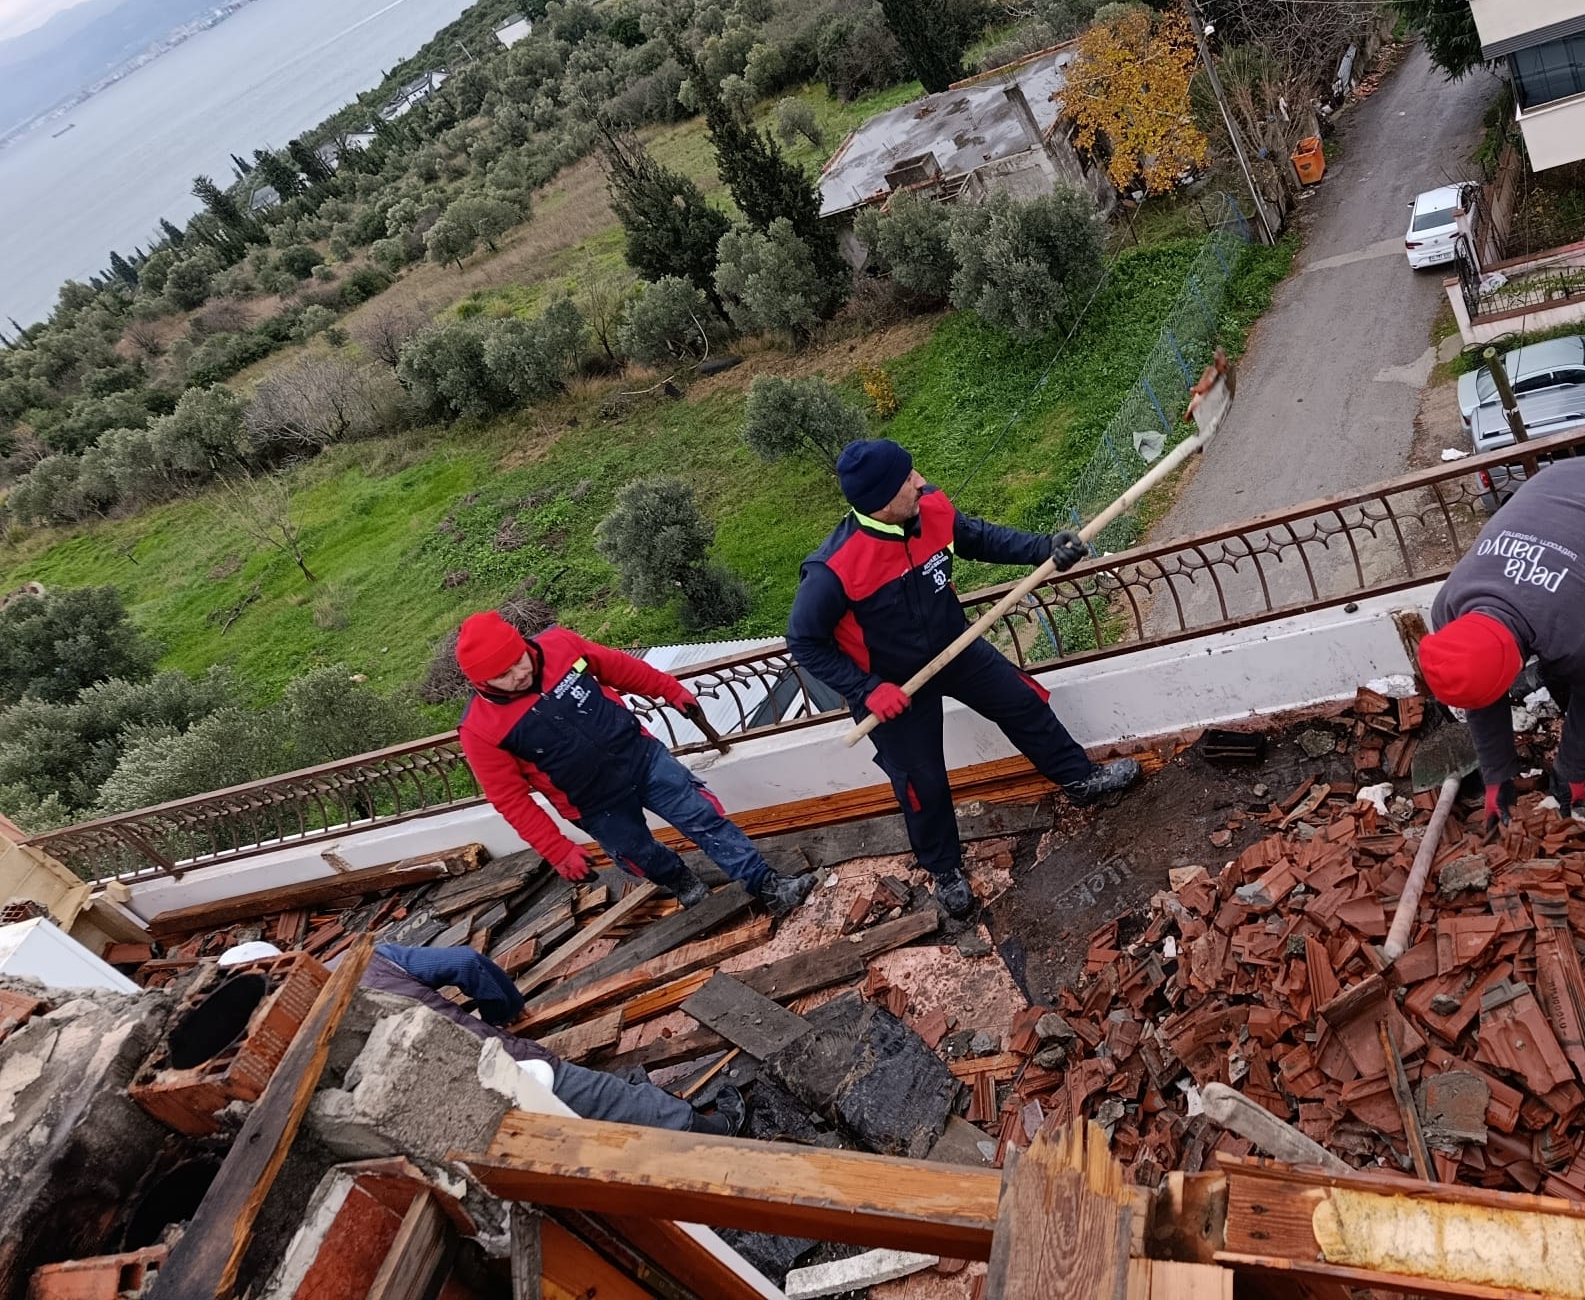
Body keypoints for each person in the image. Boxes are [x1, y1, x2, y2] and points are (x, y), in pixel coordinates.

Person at [787, 440, 1142, 918]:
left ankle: (1079, 780)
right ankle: (945, 869)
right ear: (879, 500)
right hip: (893, 686)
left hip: (955, 647)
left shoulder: (930, 507)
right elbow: (805, 644)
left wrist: (1045, 550)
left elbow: (978, 537)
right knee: (922, 780)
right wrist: (868, 690)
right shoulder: (833, 570)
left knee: (1023, 703)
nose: (919, 481)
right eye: (906, 479)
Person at [454, 612, 815, 917]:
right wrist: (557, 849)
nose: (518, 674)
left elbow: (619, 667)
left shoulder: (561, 646)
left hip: (642, 758)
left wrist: (669, 689)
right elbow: (510, 799)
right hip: (594, 804)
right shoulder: (481, 730)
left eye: (518, 660)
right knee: (639, 856)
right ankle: (680, 880)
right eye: (502, 675)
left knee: (704, 817)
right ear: (480, 681)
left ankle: (767, 885)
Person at [224, 940, 743, 1133]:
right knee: (610, 1101)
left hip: (442, 1125)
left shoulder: (267, 1055)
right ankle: (712, 1131)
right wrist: (503, 1011)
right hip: (500, 1066)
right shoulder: (366, 960)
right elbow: (467, 963)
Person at [1417, 456, 1585, 824]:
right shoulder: (1448, 608)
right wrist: (1496, 774)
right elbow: (1479, 693)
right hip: (1564, 482)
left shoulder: (1577, 631)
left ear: (1516, 666)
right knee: (1574, 662)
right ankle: (1568, 677)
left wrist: (1571, 774)